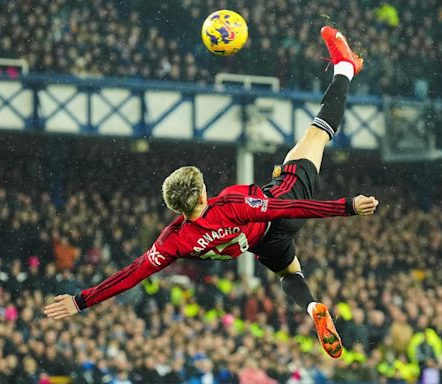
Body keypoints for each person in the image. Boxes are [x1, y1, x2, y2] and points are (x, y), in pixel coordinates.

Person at [44, 26, 377, 359]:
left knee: (290, 273)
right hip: (280, 209)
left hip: (262, 245)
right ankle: (344, 68)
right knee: (316, 134)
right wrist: (347, 206)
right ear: (203, 194)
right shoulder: (230, 204)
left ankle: (311, 306)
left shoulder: (174, 240)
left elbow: (131, 274)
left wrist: (80, 301)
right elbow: (282, 210)